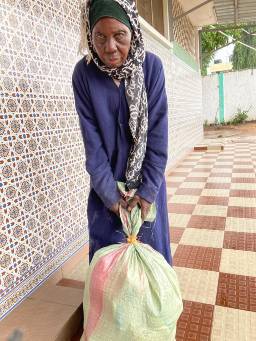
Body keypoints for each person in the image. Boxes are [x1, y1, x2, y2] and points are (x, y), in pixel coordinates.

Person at [72, 0, 172, 265]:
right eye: (100, 37)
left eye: (119, 36)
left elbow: (158, 136)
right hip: (106, 192)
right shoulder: (83, 74)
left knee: (150, 264)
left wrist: (146, 192)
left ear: (133, 31)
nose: (110, 47)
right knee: (110, 269)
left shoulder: (151, 68)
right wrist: (111, 198)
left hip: (146, 189)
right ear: (89, 35)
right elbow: (92, 145)